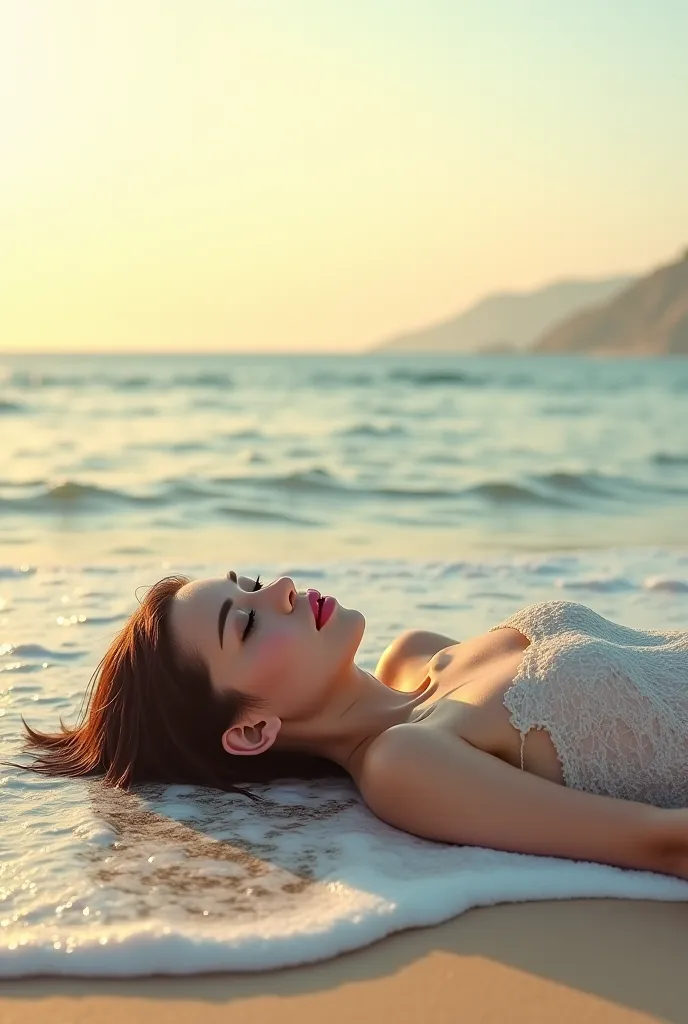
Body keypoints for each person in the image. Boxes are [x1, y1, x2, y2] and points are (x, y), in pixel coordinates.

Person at [20, 571, 688, 881]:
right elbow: (660, 844)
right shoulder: (406, 766)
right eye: (247, 622)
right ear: (252, 731)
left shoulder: (418, 655)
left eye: (248, 584)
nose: (280, 587)